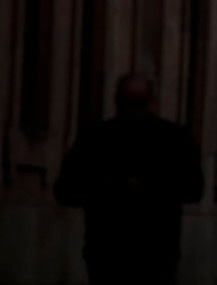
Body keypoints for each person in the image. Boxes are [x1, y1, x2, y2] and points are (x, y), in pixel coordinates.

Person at [54, 74, 204, 285]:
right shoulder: (175, 139)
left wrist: (105, 191)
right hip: (157, 249)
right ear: (153, 102)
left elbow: (66, 191)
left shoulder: (96, 137)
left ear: (116, 101)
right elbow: (194, 189)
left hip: (107, 249)